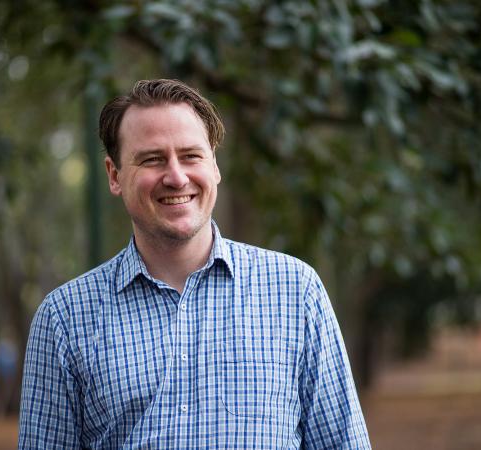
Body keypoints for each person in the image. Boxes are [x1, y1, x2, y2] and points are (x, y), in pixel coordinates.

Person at [18, 79, 371, 449]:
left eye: (191, 156)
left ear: (214, 166)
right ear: (114, 175)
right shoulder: (64, 318)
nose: (176, 177)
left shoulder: (296, 292)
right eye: (152, 159)